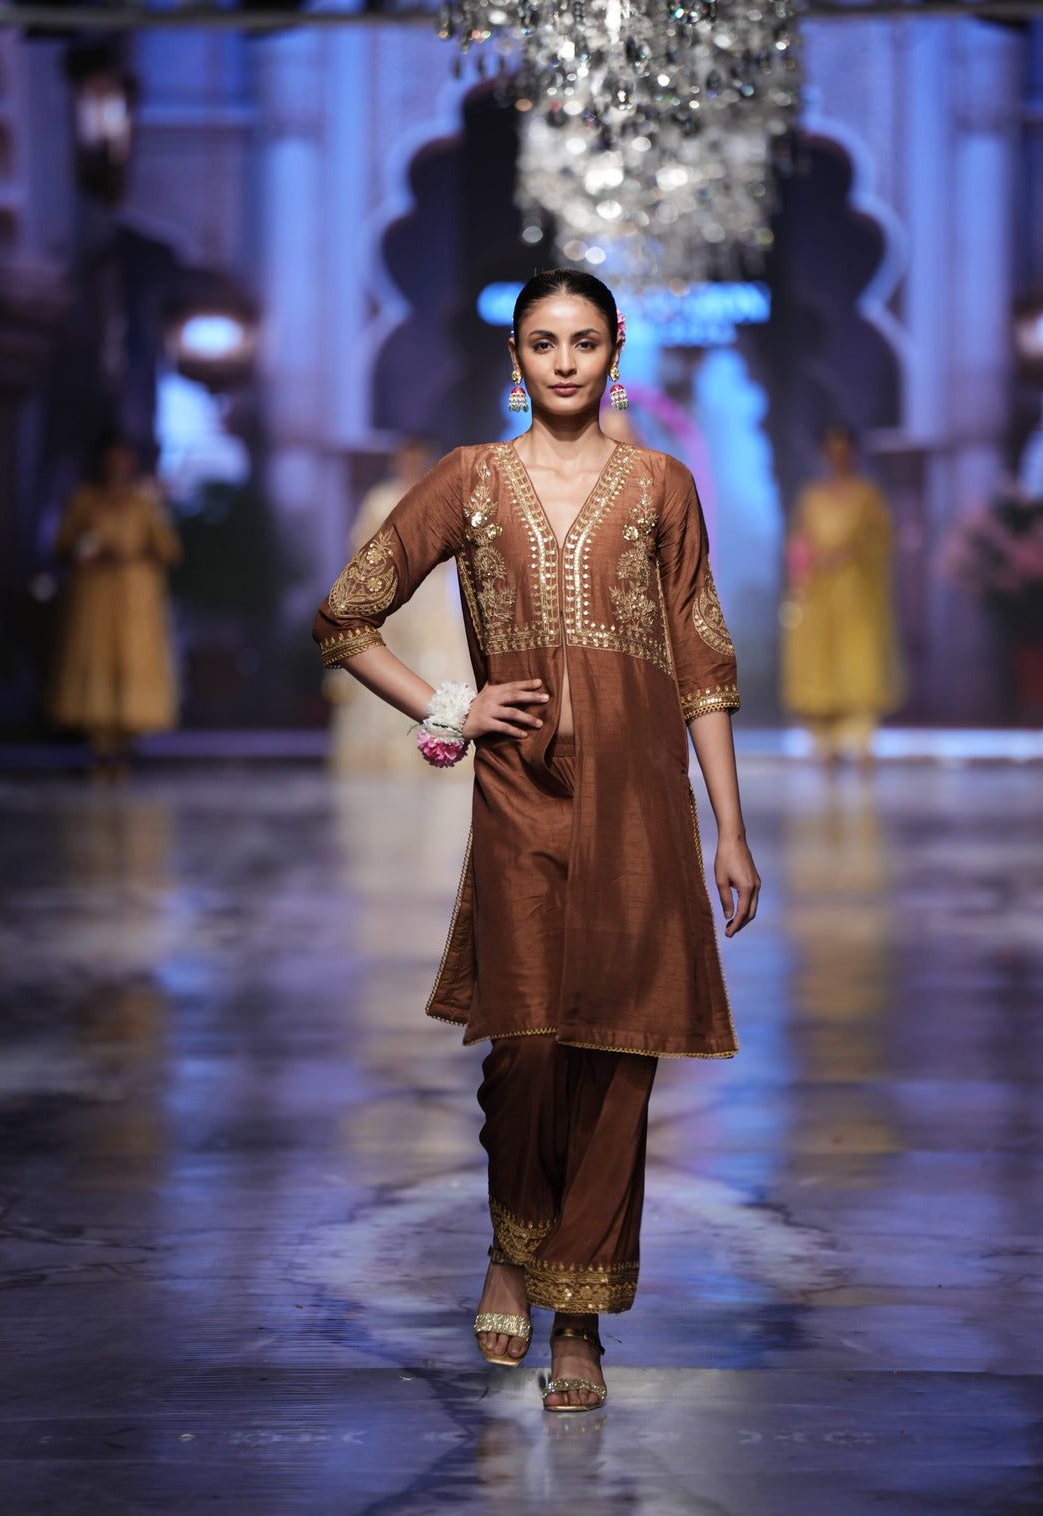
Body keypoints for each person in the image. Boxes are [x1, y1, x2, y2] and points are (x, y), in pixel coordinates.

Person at [312, 271, 760, 1413]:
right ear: (514, 357)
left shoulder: (663, 487)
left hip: (645, 805)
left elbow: (704, 667)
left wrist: (731, 831)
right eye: (543, 342)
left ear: (617, 351)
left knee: (616, 1056)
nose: (564, 362)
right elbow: (345, 616)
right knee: (524, 1052)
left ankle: (579, 1322)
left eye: (585, 341)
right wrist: (449, 707)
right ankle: (513, 1243)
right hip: (519, 799)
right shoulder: (469, 480)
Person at [325, 438, 472, 775]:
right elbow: (362, 544)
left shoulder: (439, 497)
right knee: (386, 662)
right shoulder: (380, 498)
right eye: (406, 459)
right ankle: (383, 754)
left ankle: (442, 744)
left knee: (435, 662)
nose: (411, 465)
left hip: (429, 596)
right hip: (391, 593)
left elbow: (458, 545)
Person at [48, 439, 182, 778]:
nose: (117, 466)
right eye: (111, 459)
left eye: (123, 460)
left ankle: (124, 744)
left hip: (133, 599)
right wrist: (90, 552)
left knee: (130, 659)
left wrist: (130, 555)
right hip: (95, 596)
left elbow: (167, 549)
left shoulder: (143, 503)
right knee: (94, 656)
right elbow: (63, 545)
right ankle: (98, 745)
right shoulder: (85, 500)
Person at [781, 425, 906, 765]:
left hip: (856, 590)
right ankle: (826, 741)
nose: (838, 458)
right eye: (831, 451)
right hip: (818, 592)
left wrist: (851, 552)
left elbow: (882, 540)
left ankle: (861, 737)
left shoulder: (867, 495)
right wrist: (806, 564)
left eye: (843, 451)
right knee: (820, 657)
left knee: (857, 656)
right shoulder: (812, 497)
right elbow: (799, 541)